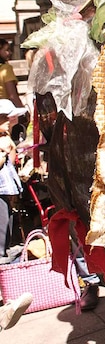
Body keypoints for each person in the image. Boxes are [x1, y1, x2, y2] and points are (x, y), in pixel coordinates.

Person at [0, 100, 26, 259]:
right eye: (5, 118)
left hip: (6, 190)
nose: (9, 122)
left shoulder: (5, 139)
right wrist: (3, 153)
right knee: (1, 228)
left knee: (8, 224)